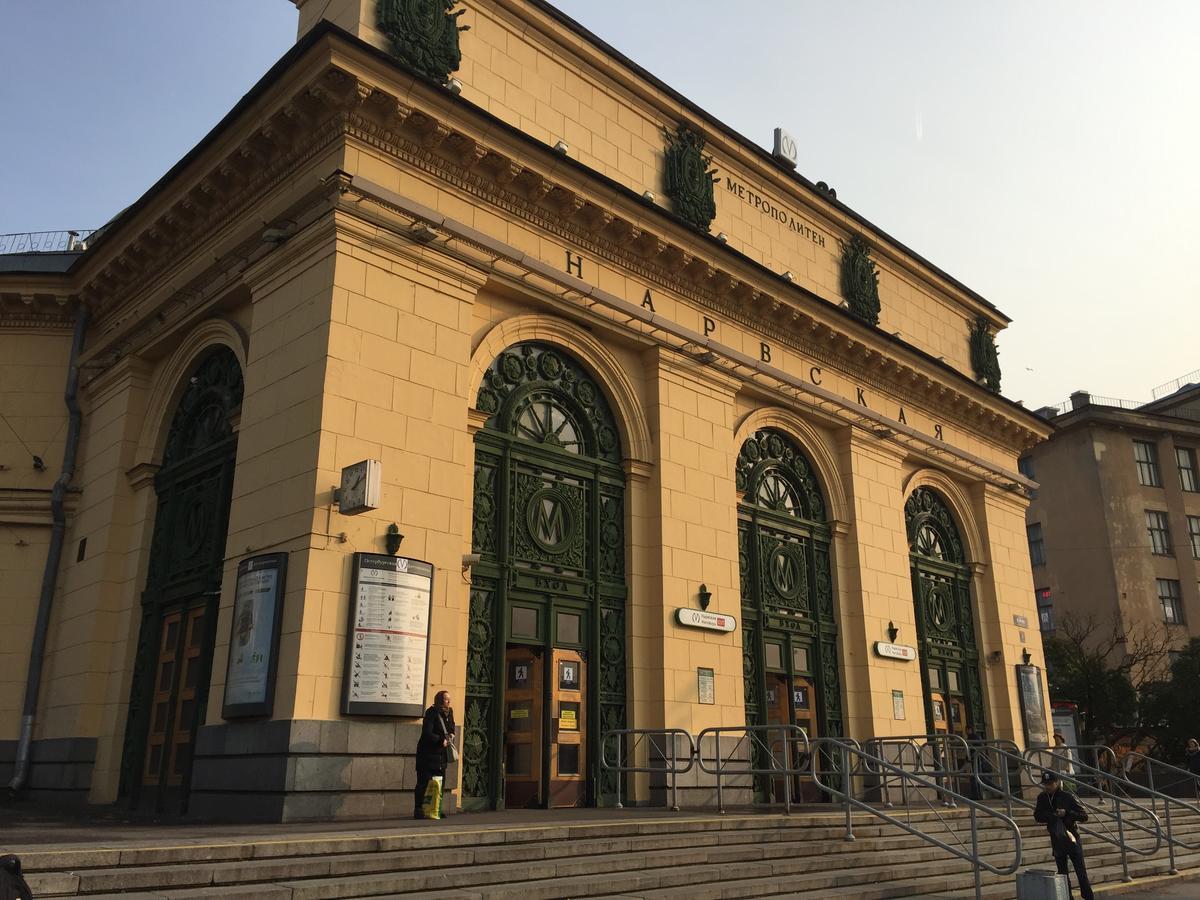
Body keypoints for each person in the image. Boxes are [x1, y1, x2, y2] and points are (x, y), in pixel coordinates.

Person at [1034, 771, 1093, 900]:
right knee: (1062, 873)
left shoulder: (1067, 797)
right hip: (1056, 838)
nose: (1048, 787)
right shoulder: (1042, 798)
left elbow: (1084, 816)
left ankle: (1088, 896)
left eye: (1050, 784)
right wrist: (1052, 815)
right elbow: (1037, 816)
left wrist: (1066, 813)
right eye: (1045, 784)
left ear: (1057, 783)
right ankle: (1067, 896)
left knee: (1080, 871)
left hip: (1071, 837)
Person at [414, 690, 456, 819]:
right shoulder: (431, 712)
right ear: (439, 700)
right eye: (446, 699)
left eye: (449, 699)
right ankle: (419, 809)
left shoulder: (450, 712)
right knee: (424, 782)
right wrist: (440, 740)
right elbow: (427, 732)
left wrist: (451, 735)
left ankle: (436, 808)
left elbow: (451, 727)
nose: (449, 701)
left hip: (441, 755)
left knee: (440, 782)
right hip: (427, 754)